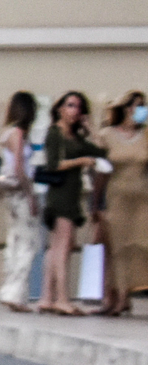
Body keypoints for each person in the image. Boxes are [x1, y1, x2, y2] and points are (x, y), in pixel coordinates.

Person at [39, 91, 105, 315]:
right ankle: (62, 298)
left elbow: (102, 151)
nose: (74, 111)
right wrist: (81, 161)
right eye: (70, 105)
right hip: (60, 195)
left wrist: (91, 127)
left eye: (78, 107)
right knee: (62, 246)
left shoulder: (76, 138)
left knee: (57, 246)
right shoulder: (54, 133)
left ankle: (47, 297)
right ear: (59, 108)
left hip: (72, 194)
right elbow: (54, 164)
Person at [98, 90, 148, 317]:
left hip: (142, 198)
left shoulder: (146, 134)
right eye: (138, 105)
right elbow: (99, 171)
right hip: (116, 195)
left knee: (141, 245)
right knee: (118, 247)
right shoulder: (107, 134)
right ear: (127, 108)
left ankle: (135, 288)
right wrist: (97, 203)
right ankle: (120, 298)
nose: (141, 110)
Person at [0, 91, 44, 312]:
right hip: (21, 192)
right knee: (28, 243)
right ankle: (15, 293)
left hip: (10, 193)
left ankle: (10, 290)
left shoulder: (8, 133)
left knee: (14, 239)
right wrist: (31, 195)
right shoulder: (18, 134)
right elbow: (19, 168)